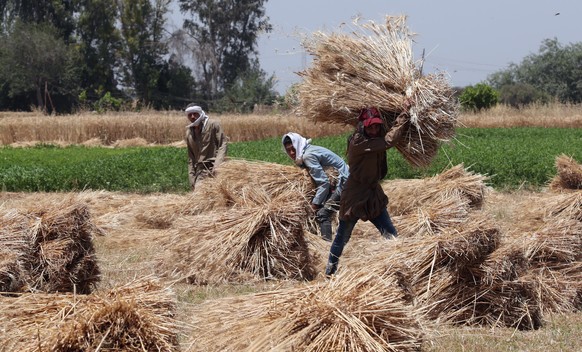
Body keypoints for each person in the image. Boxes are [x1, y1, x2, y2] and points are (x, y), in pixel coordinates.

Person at [325, 106, 409, 276]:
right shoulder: (359, 142)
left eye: (376, 126)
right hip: (355, 196)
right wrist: (405, 115)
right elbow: (388, 141)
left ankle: (400, 267)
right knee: (343, 236)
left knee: (390, 232)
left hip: (372, 193)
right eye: (370, 126)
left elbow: (386, 137)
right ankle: (330, 270)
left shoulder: (376, 137)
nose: (374, 129)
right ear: (362, 126)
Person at [282, 132, 350, 241]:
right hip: (340, 180)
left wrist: (314, 204)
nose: (291, 152)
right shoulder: (307, 150)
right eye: (288, 150)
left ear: (298, 144)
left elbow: (324, 183)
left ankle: (326, 247)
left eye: (293, 149)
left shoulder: (307, 156)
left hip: (345, 182)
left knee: (323, 213)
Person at [184, 103, 228, 190]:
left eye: (195, 113)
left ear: (200, 113)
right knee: (200, 194)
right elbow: (191, 158)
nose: (192, 116)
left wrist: (217, 166)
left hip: (215, 167)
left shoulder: (213, 125)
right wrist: (191, 176)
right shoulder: (189, 133)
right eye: (190, 114)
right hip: (201, 171)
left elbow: (223, 144)